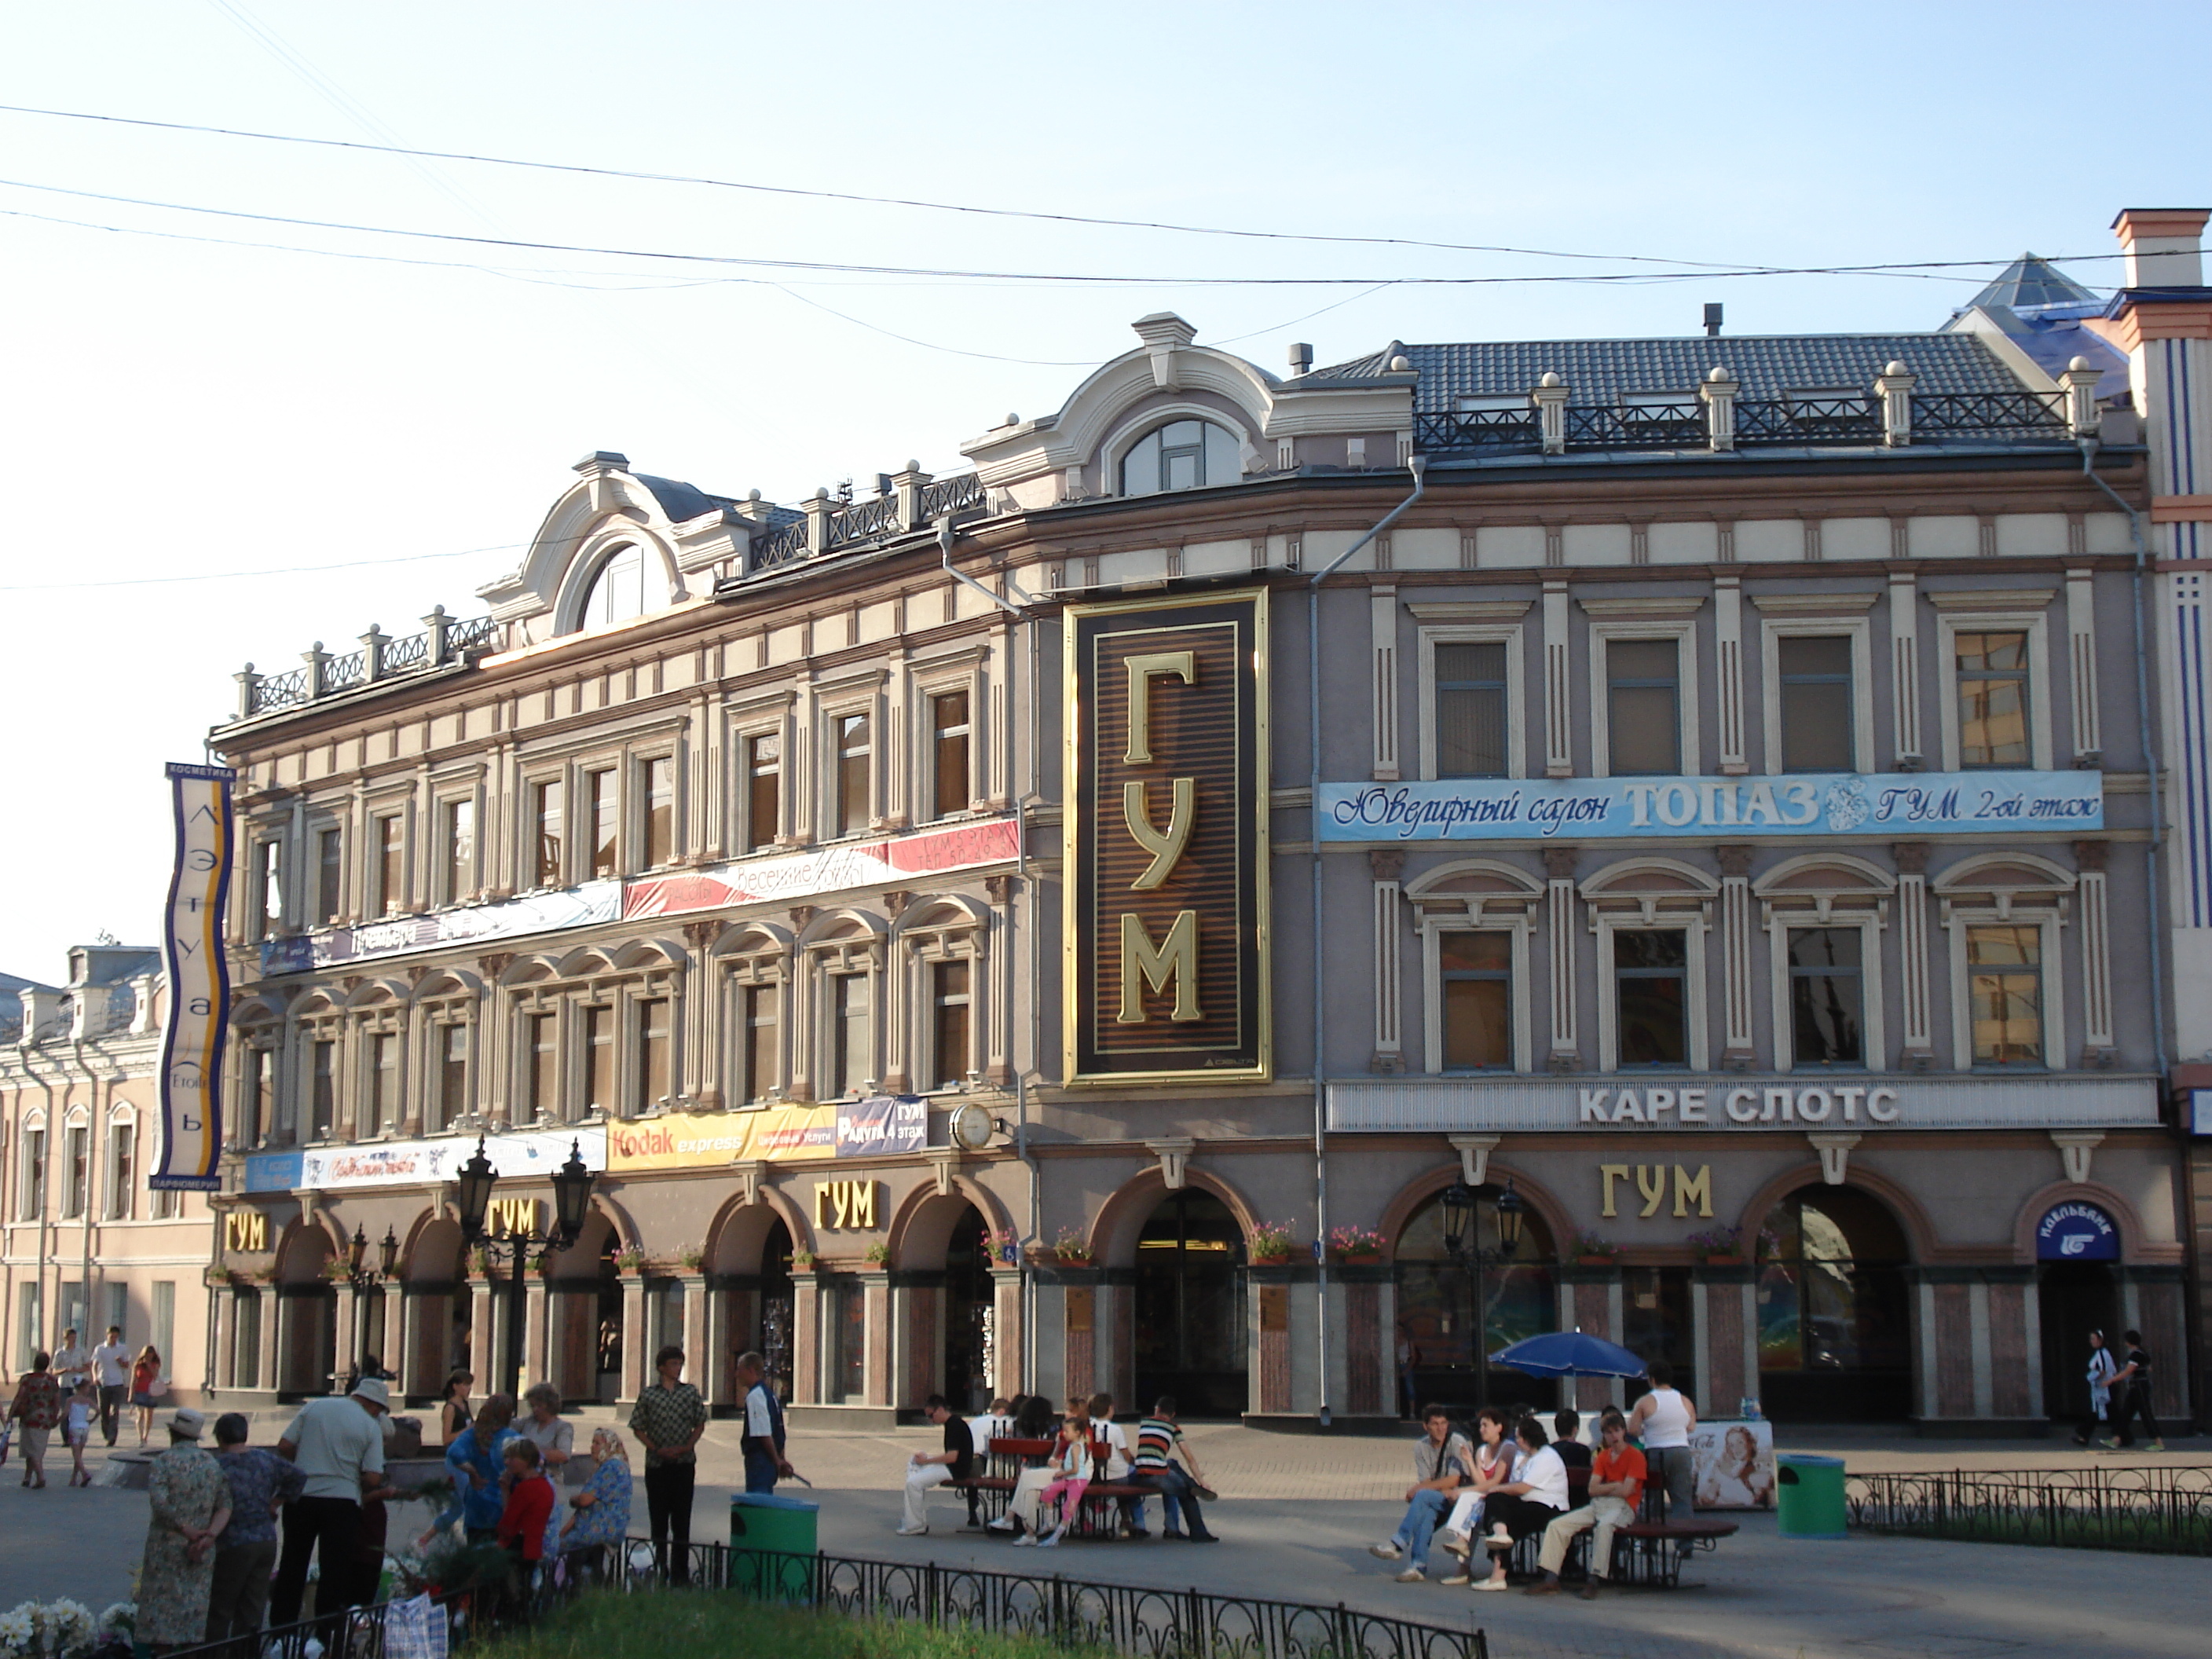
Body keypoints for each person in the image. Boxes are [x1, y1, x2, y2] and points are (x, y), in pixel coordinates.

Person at [268, 1377, 390, 1626]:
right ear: (374, 1405)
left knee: (293, 1564)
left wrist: (304, 1463)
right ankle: (326, 1635)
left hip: (302, 1497)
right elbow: (374, 1478)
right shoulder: (370, 1425)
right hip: (342, 1502)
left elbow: (285, 1445)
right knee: (334, 1571)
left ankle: (281, 1632)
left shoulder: (315, 1406)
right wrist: (355, 1477)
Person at [206, 1412, 306, 1643]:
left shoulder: (217, 1466)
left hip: (231, 1542)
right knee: (252, 1609)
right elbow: (298, 1476)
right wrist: (275, 1502)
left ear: (220, 1438)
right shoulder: (265, 1459)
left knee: (220, 1608)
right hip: (265, 1540)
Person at [137, 1409, 232, 1653]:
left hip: (166, 1547)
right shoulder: (212, 1464)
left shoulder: (163, 1462)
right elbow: (225, 1506)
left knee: (161, 1614)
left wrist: (185, 1528)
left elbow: (160, 1503)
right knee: (193, 1612)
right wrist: (209, 1535)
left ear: (172, 1433)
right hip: (200, 1549)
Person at [1529, 1408, 1646, 1600]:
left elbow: (1627, 1492)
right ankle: (1550, 1577)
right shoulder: (1602, 1456)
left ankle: (1595, 1578)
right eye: (1609, 1432)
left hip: (1624, 1506)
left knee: (1605, 1526)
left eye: (1617, 1430)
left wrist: (1608, 1487)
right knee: (1558, 1525)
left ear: (1623, 1431)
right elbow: (1592, 1489)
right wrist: (1615, 1485)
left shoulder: (1635, 1456)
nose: (1613, 1436)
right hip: (1598, 1503)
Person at [628, 1344, 706, 1584]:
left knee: (682, 1521)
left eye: (680, 1363)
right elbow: (638, 1427)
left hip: (683, 1464)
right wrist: (655, 1449)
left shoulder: (689, 1393)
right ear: (661, 1367)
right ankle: (658, 1568)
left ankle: (681, 1573)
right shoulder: (649, 1395)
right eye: (673, 1363)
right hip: (657, 1465)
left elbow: (700, 1423)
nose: (677, 1368)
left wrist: (686, 1447)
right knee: (659, 1521)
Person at [1368, 1404, 1470, 1583]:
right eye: (1435, 1424)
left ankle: (1398, 1543)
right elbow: (1426, 1481)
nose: (1441, 1428)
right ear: (1426, 1426)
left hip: (1461, 1500)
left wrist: (1420, 1489)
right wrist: (1426, 1487)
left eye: (1444, 1423)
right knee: (1427, 1514)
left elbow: (1454, 1480)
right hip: (1439, 1498)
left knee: (1422, 1497)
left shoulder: (1456, 1442)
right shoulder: (1421, 1447)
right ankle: (1417, 1566)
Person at [1469, 1416, 1572, 1593]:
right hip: (1527, 1502)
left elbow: (1522, 1487)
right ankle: (1499, 1534)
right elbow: (1514, 1484)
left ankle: (1499, 1574)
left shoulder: (1547, 1456)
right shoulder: (1522, 1455)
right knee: (1495, 1500)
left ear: (1528, 1438)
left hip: (1549, 1506)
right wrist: (1497, 1490)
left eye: (1519, 1437)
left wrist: (1496, 1488)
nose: (1516, 1441)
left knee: (1508, 1515)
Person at [1437, 1407, 1518, 1580]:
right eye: (1481, 1425)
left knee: (1468, 1499)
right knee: (1470, 1504)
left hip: (1502, 1500)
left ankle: (1461, 1543)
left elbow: (1494, 1482)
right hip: (1486, 1497)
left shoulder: (1508, 1448)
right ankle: (1462, 1550)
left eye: (1486, 1425)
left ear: (1499, 1427)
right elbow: (1481, 1483)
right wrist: (1470, 1462)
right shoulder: (1481, 1451)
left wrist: (1461, 1490)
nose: (1481, 1429)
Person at [1128, 1396, 1218, 1542]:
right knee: (1187, 1494)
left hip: (1139, 1473)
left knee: (1172, 1463)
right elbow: (1189, 1458)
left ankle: (1192, 1485)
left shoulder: (1145, 1422)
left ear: (1157, 1410)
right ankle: (1199, 1533)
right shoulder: (1174, 1428)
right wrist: (1201, 1480)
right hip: (1158, 1475)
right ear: (1173, 1415)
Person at [433, 1391, 517, 1542]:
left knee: (476, 1548)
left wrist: (471, 1471)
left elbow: (454, 1453)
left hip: (477, 1502)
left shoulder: (472, 1434)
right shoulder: (511, 1437)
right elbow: (536, 1459)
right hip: (503, 1502)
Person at [1627, 1361, 1696, 1523]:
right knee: (1682, 1498)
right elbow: (1691, 1427)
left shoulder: (1645, 1402)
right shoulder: (1686, 1401)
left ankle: (1652, 1542)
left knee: (1654, 1497)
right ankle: (1685, 1541)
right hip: (1681, 1449)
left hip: (1655, 1450)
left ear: (1652, 1379)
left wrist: (1647, 1430)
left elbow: (1633, 1429)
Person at [898, 1393, 975, 1536]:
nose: (930, 1420)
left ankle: (915, 1524)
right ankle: (913, 1519)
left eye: (931, 1416)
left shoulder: (955, 1425)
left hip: (955, 1470)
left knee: (913, 1483)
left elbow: (952, 1457)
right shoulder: (954, 1423)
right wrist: (926, 1459)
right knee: (914, 1463)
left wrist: (927, 1461)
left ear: (939, 1410)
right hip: (953, 1466)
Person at [495, 1438, 555, 1614]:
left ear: (526, 1461)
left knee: (511, 1596)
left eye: (512, 1458)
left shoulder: (525, 1488)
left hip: (517, 1548)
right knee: (525, 1593)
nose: (507, 1462)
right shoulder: (545, 1485)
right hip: (534, 1547)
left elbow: (507, 1524)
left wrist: (505, 1492)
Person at [988, 1395, 1062, 1540]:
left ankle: (1014, 1522)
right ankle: (1041, 1526)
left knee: (1027, 1480)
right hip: (1047, 1471)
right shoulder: (1054, 1427)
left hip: (1030, 1471)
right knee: (1030, 1490)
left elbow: (1017, 1456)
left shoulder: (1019, 1426)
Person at [1022, 1408, 1091, 1549]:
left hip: (1077, 1480)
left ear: (1077, 1433)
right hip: (1068, 1479)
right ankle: (1049, 1521)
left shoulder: (1076, 1448)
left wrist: (1062, 1473)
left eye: (1067, 1432)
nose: (1064, 1434)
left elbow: (1076, 1469)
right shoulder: (1071, 1446)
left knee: (1068, 1508)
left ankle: (1056, 1537)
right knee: (1048, 1492)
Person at [558, 1427, 633, 1556]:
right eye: (593, 1443)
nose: (592, 1447)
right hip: (608, 1529)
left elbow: (585, 1500)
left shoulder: (611, 1467)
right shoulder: (617, 1466)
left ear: (609, 1446)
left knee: (548, 1551)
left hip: (599, 1530)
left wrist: (573, 1500)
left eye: (597, 1443)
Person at [734, 1350, 793, 1496]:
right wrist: (781, 1457)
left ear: (751, 1370)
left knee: (758, 1500)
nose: (737, 1374)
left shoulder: (755, 1396)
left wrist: (776, 1460)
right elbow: (778, 1429)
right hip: (769, 1459)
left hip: (760, 1459)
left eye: (739, 1369)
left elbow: (762, 1432)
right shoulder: (769, 1394)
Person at [5, 1350, 62, 1489]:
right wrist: (55, 1416)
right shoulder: (52, 1380)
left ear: (34, 1363)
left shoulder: (27, 1379)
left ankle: (40, 1477)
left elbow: (19, 1397)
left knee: (31, 1449)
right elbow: (57, 1400)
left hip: (29, 1417)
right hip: (46, 1418)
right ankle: (27, 1477)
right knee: (37, 1448)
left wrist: (10, 1414)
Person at [2104, 1330, 2165, 1452]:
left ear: (2129, 1341)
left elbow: (2128, 1371)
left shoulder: (2136, 1355)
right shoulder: (2142, 1353)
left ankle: (2158, 1441)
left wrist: (2112, 1380)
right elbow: (2149, 1368)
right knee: (2126, 1413)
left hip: (2139, 1387)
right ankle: (2116, 1439)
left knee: (2146, 1413)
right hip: (2137, 1386)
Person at [963, 1397, 1014, 1527]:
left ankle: (972, 1512)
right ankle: (1011, 1512)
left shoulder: (977, 1420)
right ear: (1002, 1411)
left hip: (970, 1457)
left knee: (973, 1483)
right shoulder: (1003, 1422)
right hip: (985, 1457)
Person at [1697, 1424, 1772, 1508]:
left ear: (1750, 1444)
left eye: (1740, 1442)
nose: (1736, 1448)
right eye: (1732, 1445)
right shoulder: (1721, 1473)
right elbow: (1708, 1499)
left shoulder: (1761, 1474)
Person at [2074, 1330, 2119, 1448]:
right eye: (2091, 1339)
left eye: (2094, 1338)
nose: (2092, 1341)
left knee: (2106, 1411)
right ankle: (2084, 1435)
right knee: (2102, 1412)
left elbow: (2103, 1370)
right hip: (2103, 1387)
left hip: (2105, 1387)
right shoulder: (2101, 1353)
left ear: (2100, 1340)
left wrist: (2093, 1378)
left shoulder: (2102, 1353)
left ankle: (2084, 1434)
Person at [518, 1384, 573, 1471]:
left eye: (539, 1406)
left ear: (550, 1405)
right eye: (532, 1406)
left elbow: (564, 1455)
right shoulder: (528, 1422)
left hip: (550, 1477)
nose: (535, 1410)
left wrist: (532, 1454)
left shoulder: (562, 1427)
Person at [92, 1326, 130, 1448]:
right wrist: (94, 1377)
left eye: (116, 1337)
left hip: (117, 1383)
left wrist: (121, 1362)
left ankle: (112, 1437)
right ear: (107, 1335)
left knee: (115, 1411)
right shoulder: (100, 1349)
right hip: (103, 1382)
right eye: (111, 1336)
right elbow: (94, 1365)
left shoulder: (122, 1348)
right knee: (104, 1411)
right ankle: (106, 1433)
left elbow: (126, 1366)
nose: (113, 1339)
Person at [62, 1379, 95, 1487]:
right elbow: (98, 1411)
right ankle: (73, 1479)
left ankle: (84, 1474)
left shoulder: (71, 1400)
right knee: (79, 1455)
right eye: (88, 1387)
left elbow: (65, 1413)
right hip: (85, 1427)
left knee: (76, 1456)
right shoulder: (88, 1401)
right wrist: (91, 1420)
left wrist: (57, 1421)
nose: (89, 1389)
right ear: (82, 1388)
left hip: (74, 1427)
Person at [130, 1346, 164, 1450]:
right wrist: (131, 1394)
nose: (149, 1356)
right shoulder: (138, 1365)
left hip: (151, 1391)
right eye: (147, 1354)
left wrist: (149, 1366)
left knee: (149, 1415)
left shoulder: (155, 1364)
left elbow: (155, 1376)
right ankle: (141, 1437)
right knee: (140, 1415)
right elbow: (134, 1380)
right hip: (140, 1391)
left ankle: (146, 1437)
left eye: (151, 1354)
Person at [438, 1370, 475, 1447]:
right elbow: (446, 1439)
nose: (469, 1388)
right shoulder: (450, 1408)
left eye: (470, 1385)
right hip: (456, 1450)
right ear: (455, 1386)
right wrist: (467, 1430)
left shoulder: (465, 1404)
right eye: (465, 1385)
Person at [53, 1328, 92, 1393]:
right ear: (66, 1338)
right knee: (64, 1402)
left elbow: (88, 1367)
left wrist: (77, 1369)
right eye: (71, 1338)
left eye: (75, 1338)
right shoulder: (59, 1353)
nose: (73, 1340)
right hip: (64, 1384)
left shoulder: (81, 1351)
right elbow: (54, 1371)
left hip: (77, 1383)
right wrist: (65, 1370)